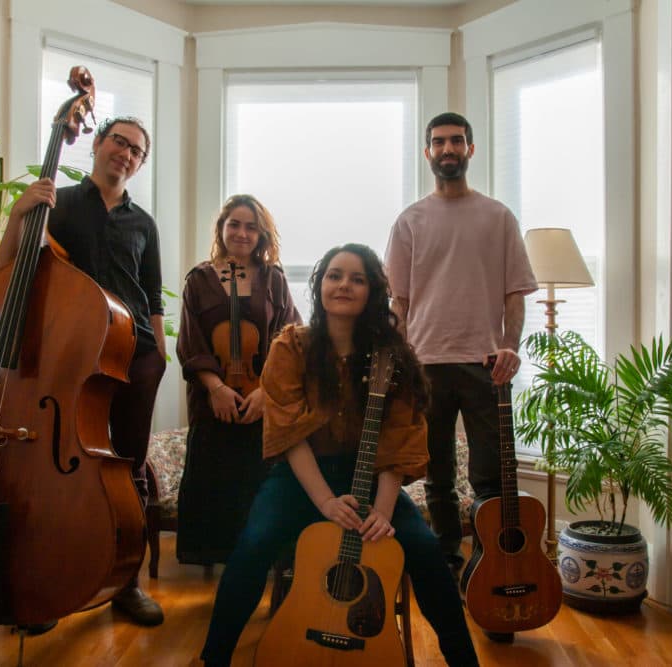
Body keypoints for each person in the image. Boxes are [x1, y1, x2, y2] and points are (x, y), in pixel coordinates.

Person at [199, 244, 479, 666]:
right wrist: (326, 503)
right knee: (254, 544)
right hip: (303, 476)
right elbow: (290, 434)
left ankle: (464, 660)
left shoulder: (394, 356)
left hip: (370, 475)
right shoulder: (291, 347)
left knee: (425, 551)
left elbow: (398, 439)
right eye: (334, 275)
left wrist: (381, 514)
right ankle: (213, 658)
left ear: (372, 292)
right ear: (319, 286)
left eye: (357, 278)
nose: (343, 285)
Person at [0, 116, 167, 627]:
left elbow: (152, 293)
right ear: (96, 145)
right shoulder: (57, 203)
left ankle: (125, 582)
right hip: (68, 356)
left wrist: (157, 350)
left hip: (133, 354)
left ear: (140, 163)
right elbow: (9, 272)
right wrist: (17, 215)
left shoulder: (144, 223)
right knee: (56, 473)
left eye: (137, 150)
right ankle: (50, 583)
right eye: (119, 141)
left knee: (128, 470)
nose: (126, 153)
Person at [384, 112, 538, 631]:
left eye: (456, 141)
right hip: (425, 365)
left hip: (485, 365)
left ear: (470, 149)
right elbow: (399, 302)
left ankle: (492, 567)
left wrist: (510, 346)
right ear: (427, 153)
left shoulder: (498, 217)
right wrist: (401, 362)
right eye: (438, 142)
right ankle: (448, 566)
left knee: (491, 478)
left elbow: (515, 290)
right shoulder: (410, 221)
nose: (447, 149)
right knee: (439, 477)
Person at [175, 194, 300, 565]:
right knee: (213, 482)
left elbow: (289, 338)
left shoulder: (274, 279)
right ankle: (216, 561)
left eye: (250, 226)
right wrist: (215, 388)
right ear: (222, 228)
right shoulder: (199, 279)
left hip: (264, 400)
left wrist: (266, 391)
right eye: (234, 224)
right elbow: (190, 341)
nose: (242, 233)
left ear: (261, 234)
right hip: (211, 399)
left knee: (259, 483)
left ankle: (260, 561)